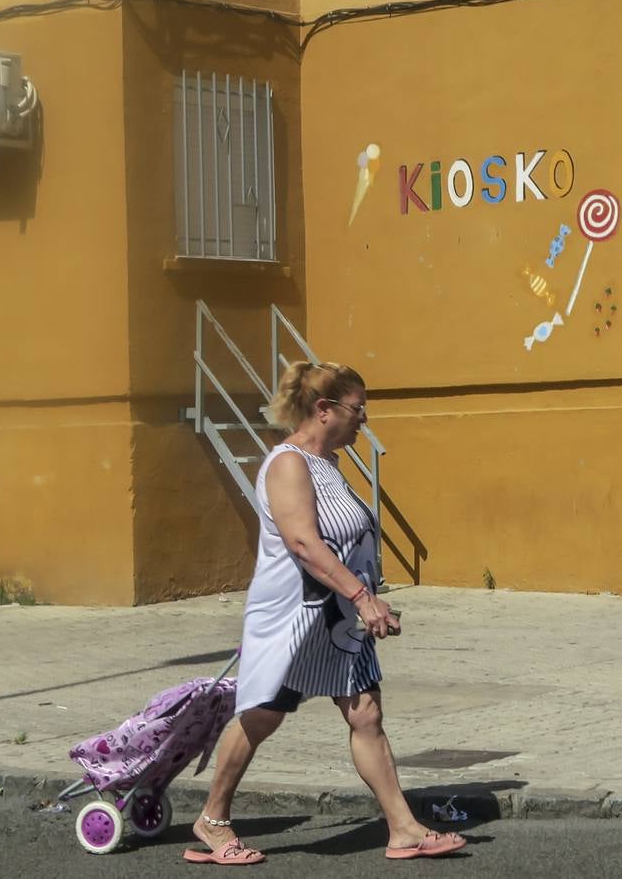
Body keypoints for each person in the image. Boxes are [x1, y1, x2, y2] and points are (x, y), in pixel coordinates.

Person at [183, 361, 467, 865]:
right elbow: (303, 544)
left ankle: (402, 829)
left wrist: (365, 598)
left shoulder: (328, 465)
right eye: (358, 409)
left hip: (336, 619)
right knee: (261, 716)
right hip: (294, 619)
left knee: (366, 713)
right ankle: (212, 819)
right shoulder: (288, 464)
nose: (364, 420)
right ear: (324, 410)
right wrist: (362, 596)